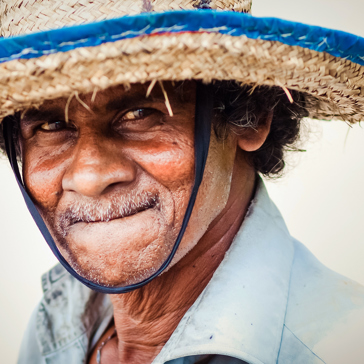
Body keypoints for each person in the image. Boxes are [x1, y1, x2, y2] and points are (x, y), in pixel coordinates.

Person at [0, 0, 363, 363]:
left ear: (250, 117)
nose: (90, 177)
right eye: (50, 126)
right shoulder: (57, 323)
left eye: (140, 114)